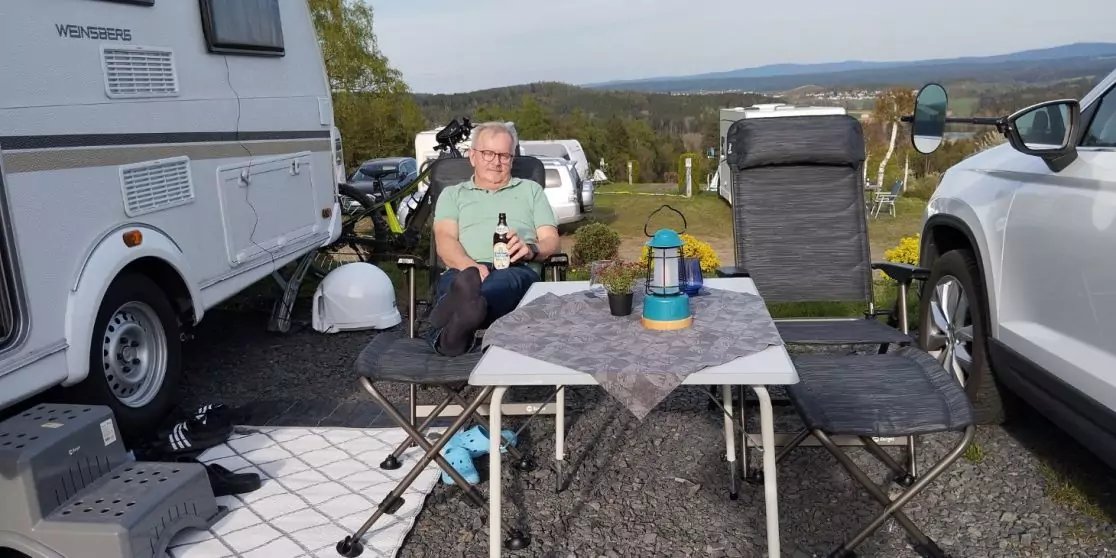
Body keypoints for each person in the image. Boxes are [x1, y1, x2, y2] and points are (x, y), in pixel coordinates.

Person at [425, 122, 560, 356]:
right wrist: (471, 267)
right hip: (462, 269)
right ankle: (464, 313)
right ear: (473, 156)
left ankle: (450, 336)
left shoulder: (530, 191)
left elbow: (552, 241)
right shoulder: (453, 195)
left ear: (512, 159)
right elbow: (445, 240)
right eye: (488, 153)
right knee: (458, 284)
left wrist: (530, 250)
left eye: (504, 156)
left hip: (515, 268)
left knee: (499, 285)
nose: (496, 162)